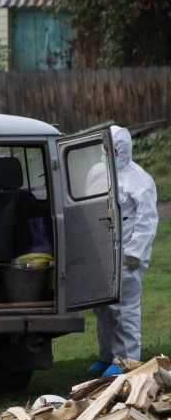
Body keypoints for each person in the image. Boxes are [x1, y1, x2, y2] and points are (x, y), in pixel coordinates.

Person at [86, 126, 158, 377]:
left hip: (128, 257)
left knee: (124, 307)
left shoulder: (140, 180)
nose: (109, 154)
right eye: (107, 149)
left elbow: (147, 220)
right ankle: (106, 356)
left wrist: (135, 252)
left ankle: (127, 359)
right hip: (103, 253)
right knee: (103, 308)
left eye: (114, 150)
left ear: (123, 150)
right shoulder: (97, 172)